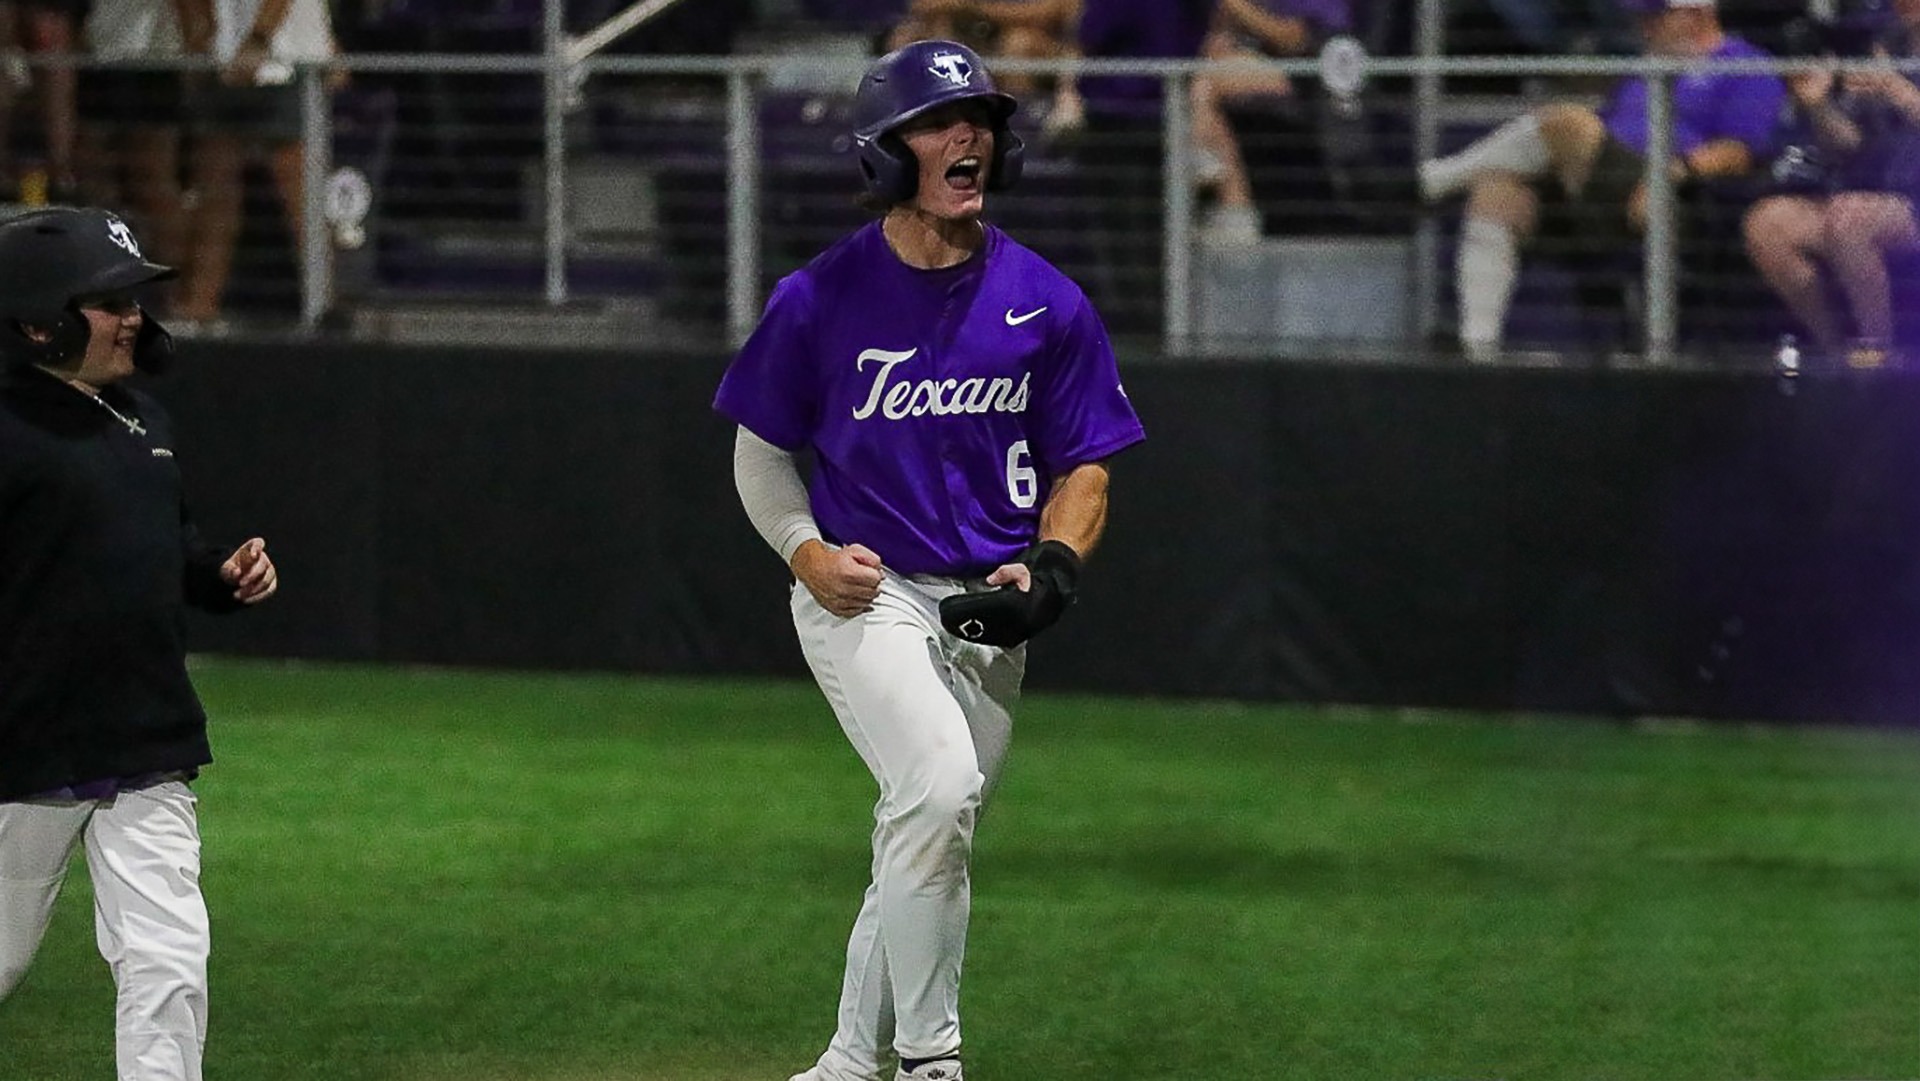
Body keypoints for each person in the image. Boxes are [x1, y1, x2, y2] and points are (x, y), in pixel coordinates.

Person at [712, 39, 1144, 1081]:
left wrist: (1053, 571)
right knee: (939, 786)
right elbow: (761, 450)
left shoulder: (1048, 300)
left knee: (927, 830)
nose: (970, 137)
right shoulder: (821, 298)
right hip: (869, 593)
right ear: (885, 152)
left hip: (987, 610)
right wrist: (803, 550)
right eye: (941, 121)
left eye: (983, 121)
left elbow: (1086, 460)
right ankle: (933, 1060)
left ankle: (849, 1063)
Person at [0, 205, 277, 1081]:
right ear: (40, 318)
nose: (134, 318)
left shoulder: (143, 420)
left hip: (144, 738)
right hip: (22, 748)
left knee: (167, 963)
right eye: (111, 299)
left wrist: (219, 579)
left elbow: (172, 551)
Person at [1418, 0, 1786, 361]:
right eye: (1642, 18)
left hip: (1671, 193)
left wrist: (1672, 174)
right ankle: (1478, 348)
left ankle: (1433, 181)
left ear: (1696, 13)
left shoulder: (1747, 66)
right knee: (1497, 192)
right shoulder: (1645, 68)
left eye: (1656, 17)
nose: (1644, 27)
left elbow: (1738, 152)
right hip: (1604, 186)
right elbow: (1611, 127)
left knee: (1569, 123)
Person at [1743, 0, 1920, 368]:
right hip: (1876, 193)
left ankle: (1880, 353)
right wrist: (1819, 104)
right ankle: (1835, 354)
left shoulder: (1889, 67)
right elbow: (1848, 143)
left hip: (1907, 203)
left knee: (1850, 216)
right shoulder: (1884, 42)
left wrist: (1897, 90)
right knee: (1769, 223)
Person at [174, 0, 338, 328]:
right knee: (215, 192)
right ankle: (200, 306)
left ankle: (324, 308)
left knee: (300, 196)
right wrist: (198, 35)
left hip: (287, 61)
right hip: (221, 64)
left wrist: (259, 39)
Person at [1075, 0, 1219, 338]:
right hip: (1167, 115)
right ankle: (1162, 330)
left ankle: (1142, 335)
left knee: (1127, 241)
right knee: (1158, 237)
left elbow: (1094, 30)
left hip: (1120, 116)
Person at [76, 0, 209, 314]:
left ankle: (177, 291)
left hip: (152, 59)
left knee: (152, 177)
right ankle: (102, 284)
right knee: (94, 171)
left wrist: (192, 53)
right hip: (100, 55)